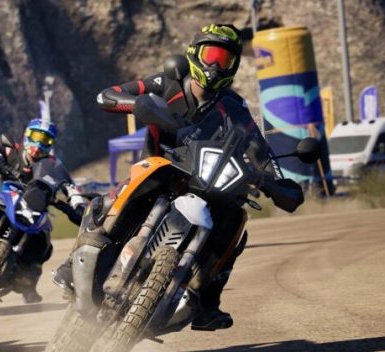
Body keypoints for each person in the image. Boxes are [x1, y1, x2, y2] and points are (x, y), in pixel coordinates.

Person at [54, 24, 304, 331]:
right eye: (210, 56)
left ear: (234, 66)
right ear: (194, 54)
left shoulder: (235, 108)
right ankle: (71, 265)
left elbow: (260, 150)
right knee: (107, 201)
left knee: (236, 221)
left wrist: (272, 180)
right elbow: (107, 96)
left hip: (207, 184)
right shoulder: (167, 82)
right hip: (160, 165)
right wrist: (139, 105)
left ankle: (207, 302)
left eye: (224, 60)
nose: (215, 66)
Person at [0, 118, 87, 304]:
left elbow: (70, 187)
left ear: (51, 144)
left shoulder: (53, 165)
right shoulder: (12, 151)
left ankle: (28, 285)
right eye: (36, 137)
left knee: (46, 245)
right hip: (5, 198)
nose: (39, 144)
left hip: (35, 210)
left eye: (45, 140)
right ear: (27, 135)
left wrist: (77, 203)